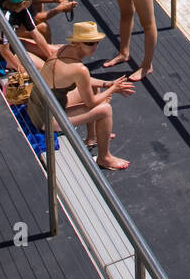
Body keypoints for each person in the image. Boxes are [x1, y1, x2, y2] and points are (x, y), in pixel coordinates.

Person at [26, 21, 135, 171]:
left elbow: (83, 81)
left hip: (38, 106)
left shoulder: (61, 50)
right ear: (77, 43)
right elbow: (91, 103)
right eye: (89, 43)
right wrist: (113, 89)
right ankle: (104, 158)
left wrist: (106, 84)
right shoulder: (80, 69)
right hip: (46, 119)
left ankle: (92, 138)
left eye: (96, 42)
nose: (94, 47)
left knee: (93, 88)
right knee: (105, 110)